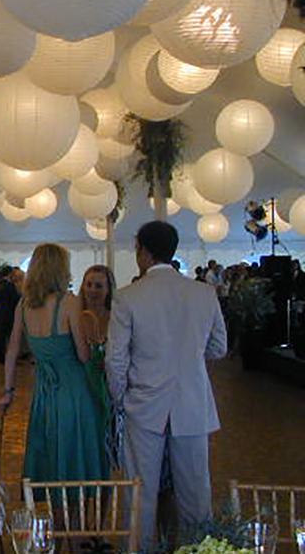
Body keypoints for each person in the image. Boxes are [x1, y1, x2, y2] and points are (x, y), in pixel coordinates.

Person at [107, 222, 227, 550]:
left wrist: (120, 399)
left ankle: (139, 549)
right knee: (195, 491)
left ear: (142, 251)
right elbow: (219, 347)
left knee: (140, 491)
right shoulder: (203, 293)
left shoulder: (128, 297)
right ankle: (198, 549)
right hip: (192, 403)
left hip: (144, 405)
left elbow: (115, 361)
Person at [0, 244, 107, 495]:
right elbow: (82, 354)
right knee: (77, 451)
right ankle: (78, 523)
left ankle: (57, 520)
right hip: (75, 391)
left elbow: (12, 350)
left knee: (50, 452)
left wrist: (8, 390)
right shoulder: (69, 302)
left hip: (44, 392)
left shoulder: (23, 305)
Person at [79, 264, 116, 467]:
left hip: (109, 387)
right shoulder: (75, 316)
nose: (93, 290)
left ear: (109, 289)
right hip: (82, 386)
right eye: (89, 284)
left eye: (99, 286)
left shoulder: (116, 317)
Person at [0, 265, 22, 364]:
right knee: (10, 336)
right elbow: (15, 299)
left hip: (1, 313)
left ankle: (0, 357)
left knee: (1, 336)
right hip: (9, 313)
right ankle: (10, 357)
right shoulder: (10, 285)